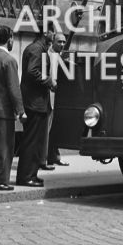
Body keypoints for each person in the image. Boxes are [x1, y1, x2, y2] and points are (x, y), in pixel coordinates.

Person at [0, 25, 26, 190]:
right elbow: (14, 88)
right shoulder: (9, 60)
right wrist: (20, 111)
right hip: (3, 111)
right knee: (4, 147)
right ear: (9, 39)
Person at [16, 30, 54, 186]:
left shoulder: (37, 48)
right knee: (32, 141)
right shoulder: (36, 49)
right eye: (53, 31)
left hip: (36, 102)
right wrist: (49, 81)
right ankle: (26, 176)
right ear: (46, 32)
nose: (54, 34)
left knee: (35, 141)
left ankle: (31, 174)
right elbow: (32, 71)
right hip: (34, 103)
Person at [45, 31, 70, 168]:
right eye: (59, 41)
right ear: (53, 42)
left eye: (64, 42)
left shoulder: (59, 55)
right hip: (49, 97)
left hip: (58, 99)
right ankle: (45, 158)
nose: (62, 44)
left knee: (55, 129)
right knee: (47, 130)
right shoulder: (48, 55)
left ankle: (54, 156)